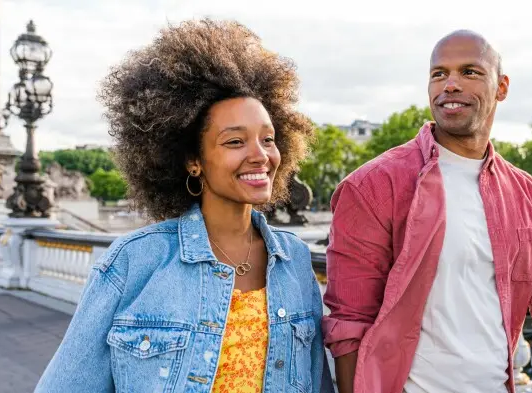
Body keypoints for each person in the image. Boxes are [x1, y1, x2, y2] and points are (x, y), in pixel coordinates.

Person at [35, 19, 333, 393]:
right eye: (235, 142)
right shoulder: (133, 263)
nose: (260, 156)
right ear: (193, 160)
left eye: (268, 139)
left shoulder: (295, 260)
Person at [321, 30, 532, 393]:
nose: (450, 84)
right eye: (439, 74)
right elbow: (350, 323)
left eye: (470, 72)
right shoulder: (372, 186)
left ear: (502, 87)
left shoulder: (528, 195)